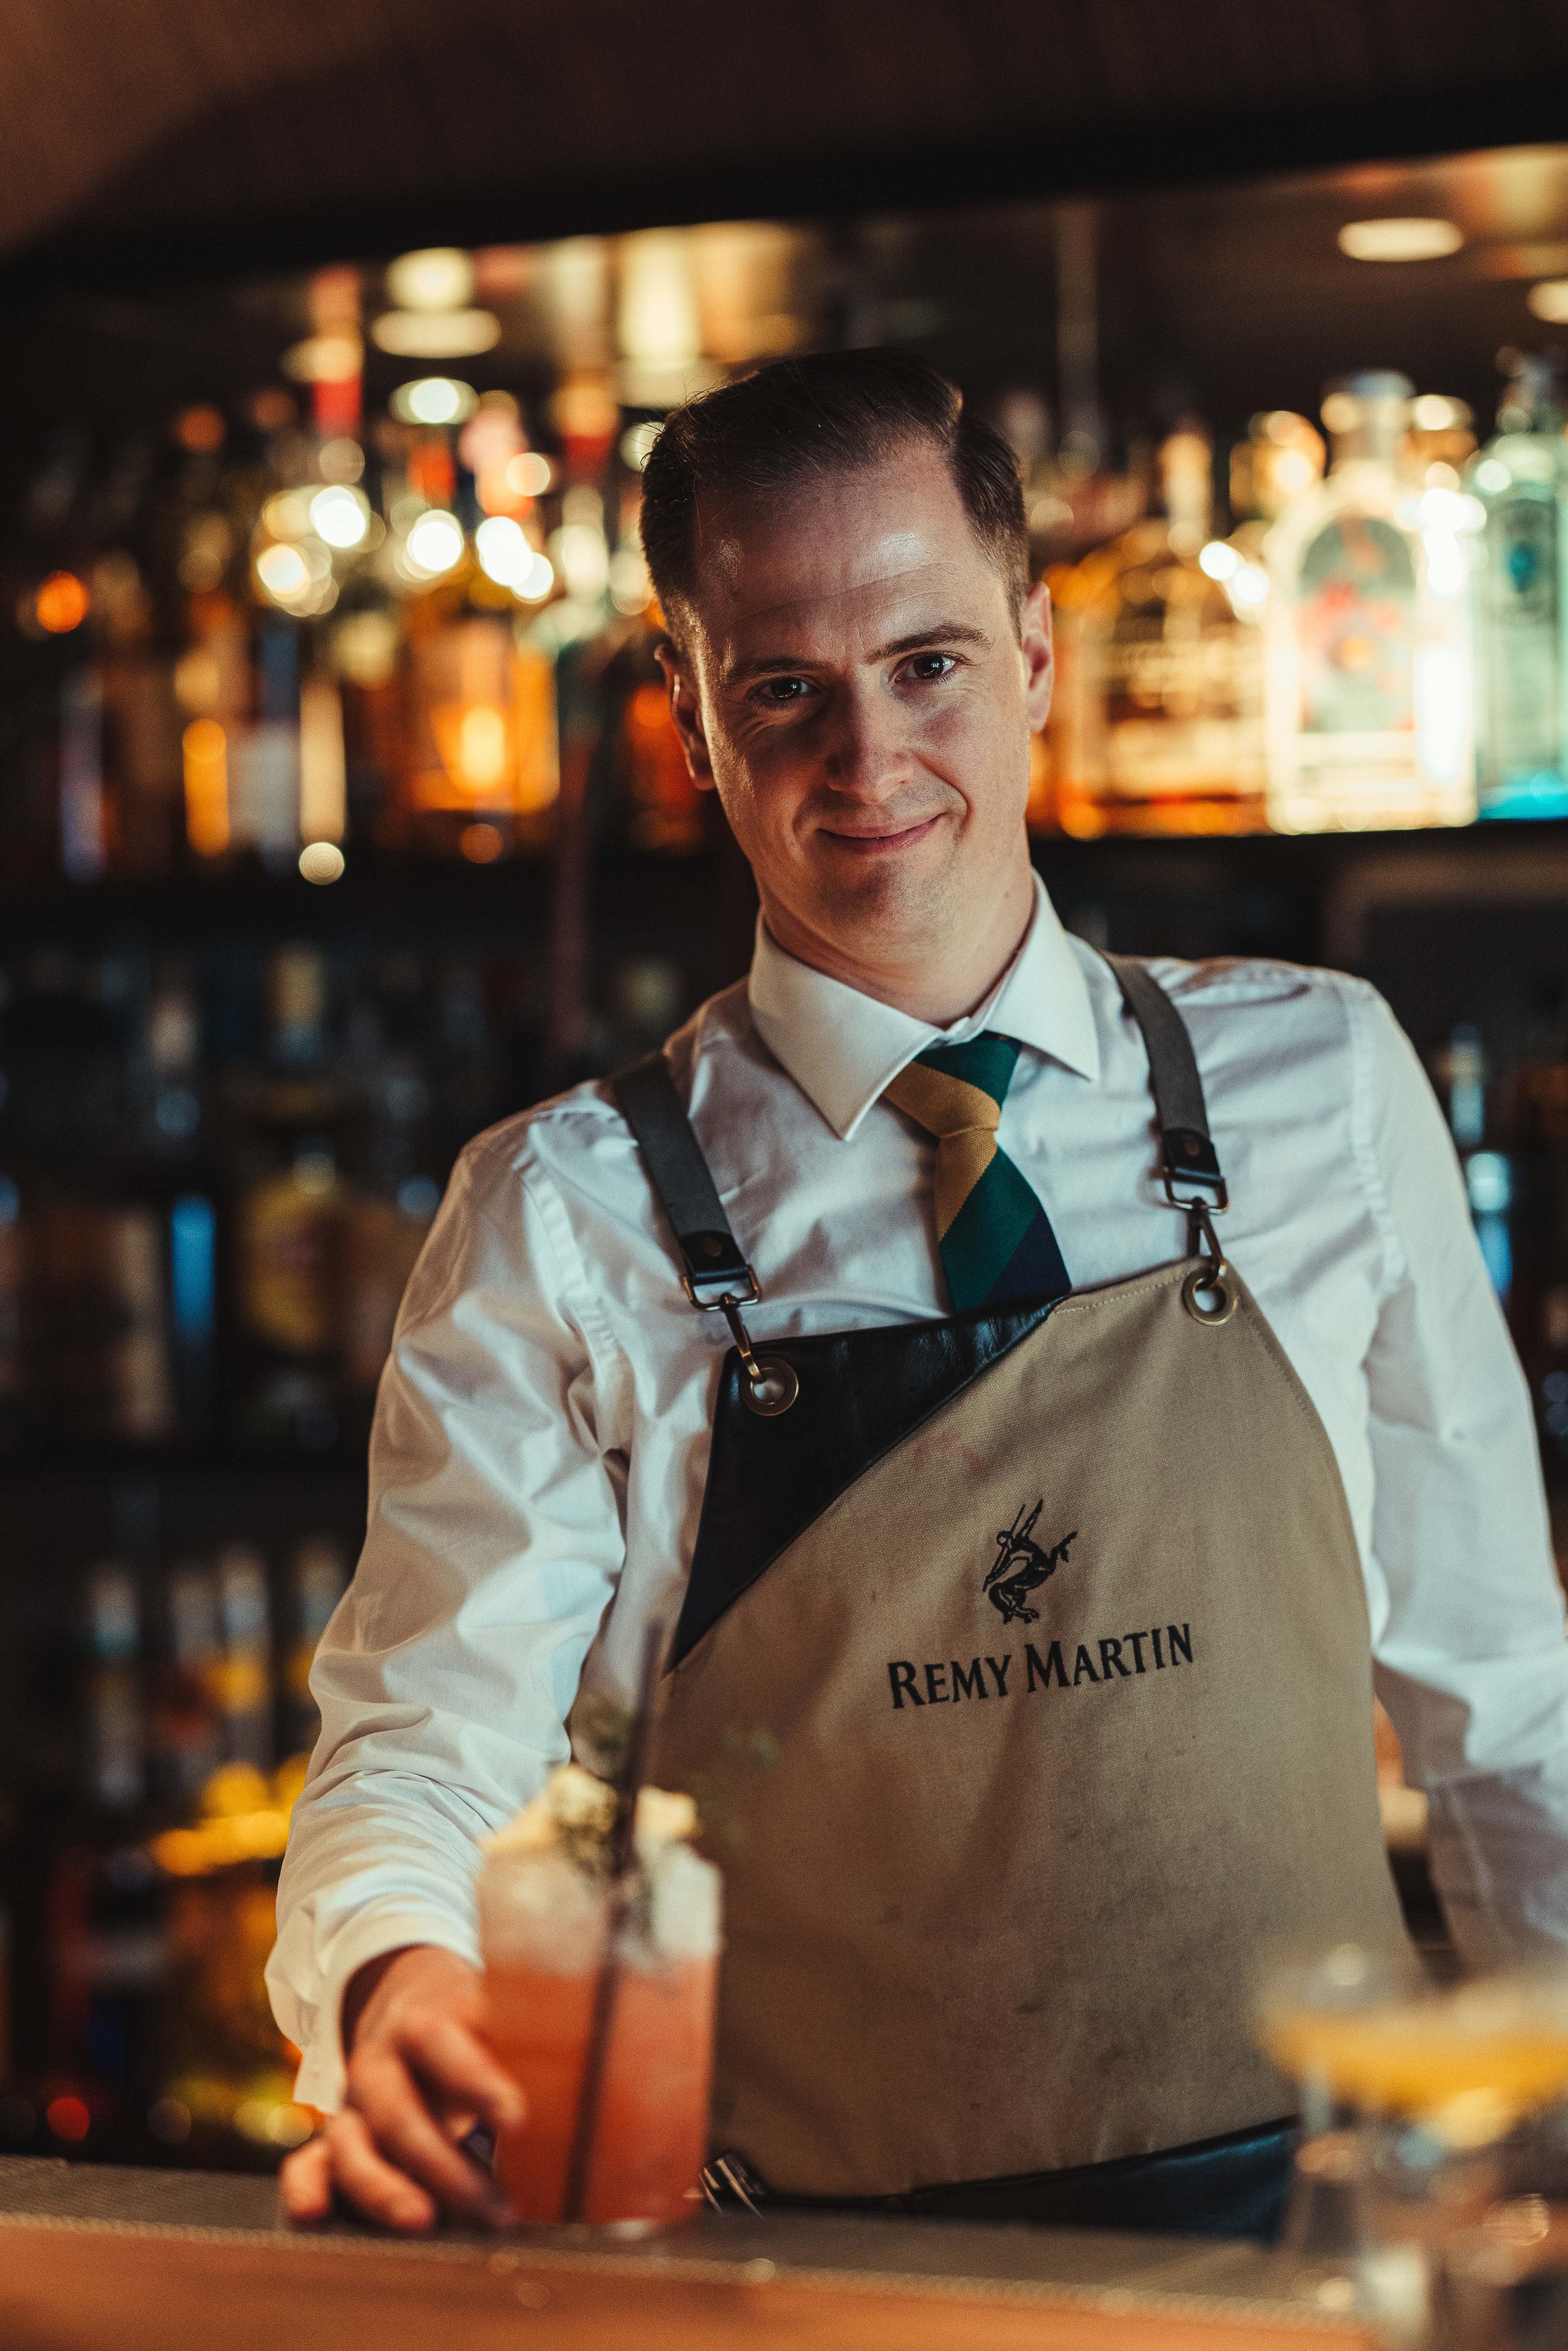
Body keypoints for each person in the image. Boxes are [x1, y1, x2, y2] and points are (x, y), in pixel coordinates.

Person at [272, 349, 1568, 2240]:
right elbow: (419, 1747)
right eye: (782, 686)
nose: (866, 760)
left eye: (928, 665)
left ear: (1038, 651)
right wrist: (400, 1981)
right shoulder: (561, 1213)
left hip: (1311, 2253)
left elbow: (1498, 1695)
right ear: (686, 711)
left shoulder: (1322, 1079)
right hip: (796, 2270)